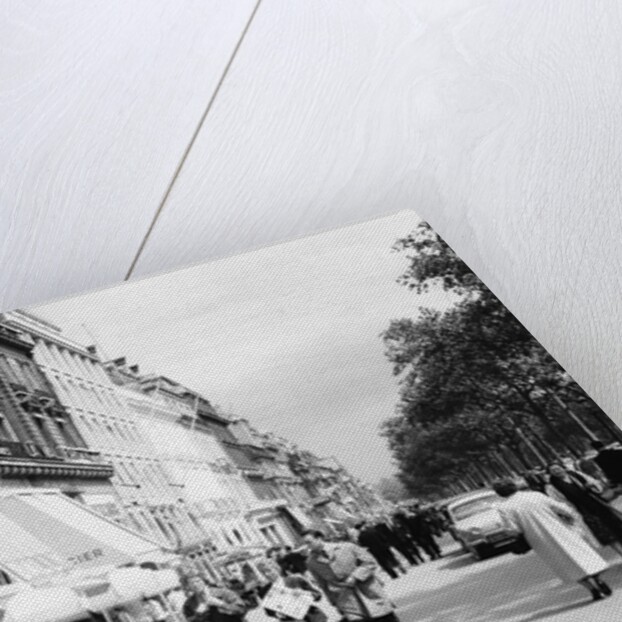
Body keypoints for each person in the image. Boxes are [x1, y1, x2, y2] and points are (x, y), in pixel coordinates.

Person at [492, 478, 612, 601]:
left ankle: (592, 589)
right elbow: (562, 508)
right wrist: (571, 519)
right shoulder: (534, 495)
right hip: (560, 529)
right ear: (514, 486)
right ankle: (598, 580)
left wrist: (504, 529)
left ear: (499, 493)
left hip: (539, 539)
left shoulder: (504, 507)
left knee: (563, 564)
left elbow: (514, 529)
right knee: (581, 554)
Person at [303, 530, 400, 622]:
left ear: (319, 538)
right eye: (305, 544)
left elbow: (369, 562)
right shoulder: (311, 562)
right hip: (346, 600)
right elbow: (323, 584)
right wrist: (333, 602)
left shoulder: (347, 547)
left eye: (309, 542)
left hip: (369, 591)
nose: (308, 546)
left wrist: (355, 576)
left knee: (384, 617)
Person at [547, 463, 622, 555]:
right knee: (605, 532)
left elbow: (595, 483)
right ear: (550, 473)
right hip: (584, 510)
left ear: (562, 468)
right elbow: (560, 501)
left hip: (598, 503)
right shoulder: (552, 487)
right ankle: (620, 552)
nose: (557, 471)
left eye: (557, 468)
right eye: (553, 471)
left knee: (617, 525)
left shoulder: (576, 475)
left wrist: (592, 486)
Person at [256, 559, 328, 622]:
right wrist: (276, 614)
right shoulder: (263, 592)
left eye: (269, 570)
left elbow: (318, 595)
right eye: (263, 573)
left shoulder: (296, 579)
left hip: (312, 616)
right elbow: (268, 611)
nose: (267, 574)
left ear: (276, 568)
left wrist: (307, 594)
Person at [182, 574, 248, 622]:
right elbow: (190, 619)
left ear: (204, 581)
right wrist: (199, 614)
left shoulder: (223, 592)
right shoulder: (188, 604)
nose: (195, 585)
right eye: (191, 583)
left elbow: (241, 609)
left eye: (198, 581)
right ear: (188, 587)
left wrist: (221, 604)